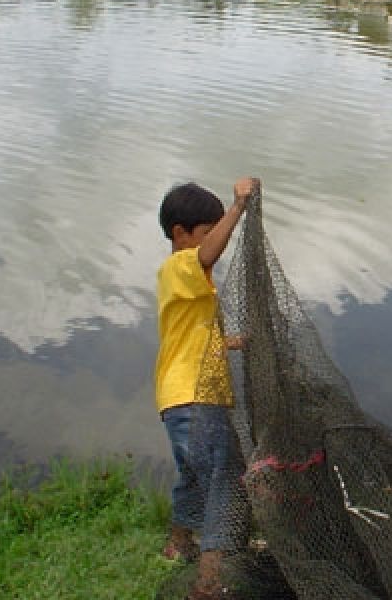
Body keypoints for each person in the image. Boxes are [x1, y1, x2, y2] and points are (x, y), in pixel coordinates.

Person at [156, 177, 257, 599]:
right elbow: (208, 253)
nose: (215, 243)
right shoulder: (181, 265)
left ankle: (179, 543)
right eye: (207, 231)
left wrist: (235, 341)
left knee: (194, 477)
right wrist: (237, 207)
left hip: (178, 397)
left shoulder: (190, 281)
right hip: (195, 396)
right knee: (224, 479)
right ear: (181, 234)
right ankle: (209, 584)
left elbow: (196, 333)